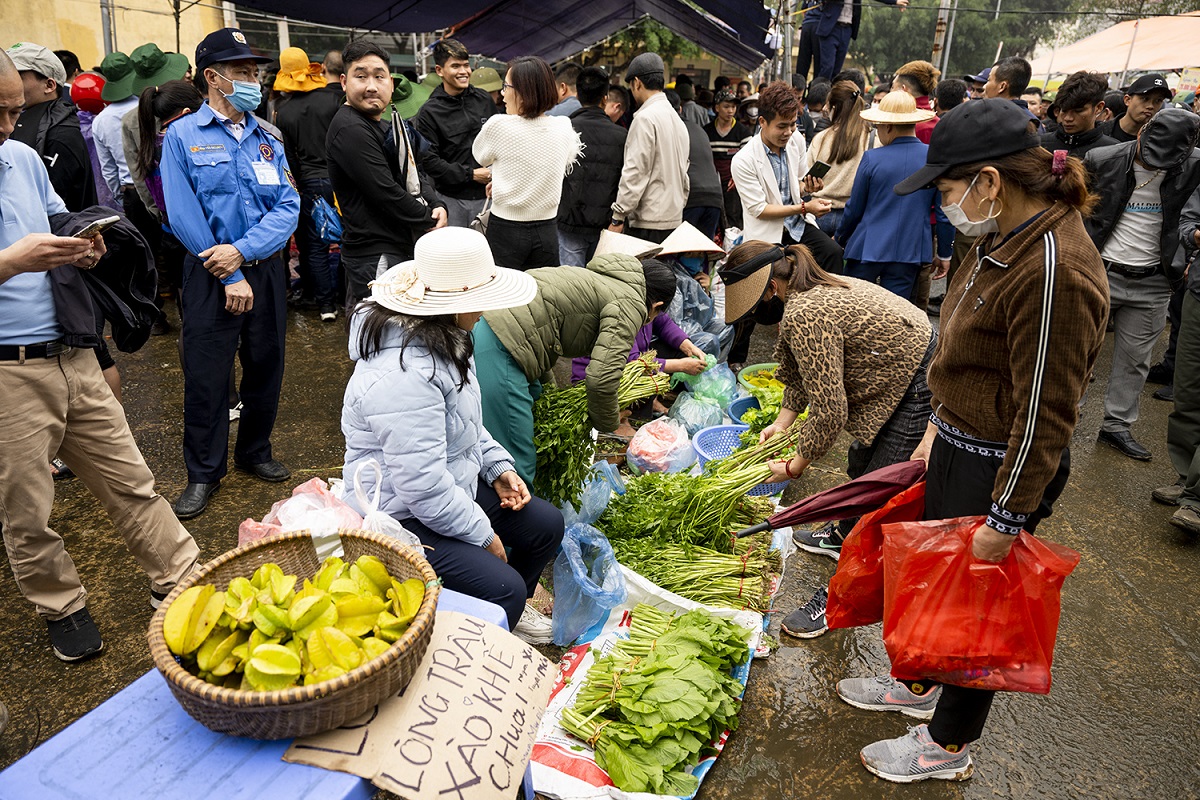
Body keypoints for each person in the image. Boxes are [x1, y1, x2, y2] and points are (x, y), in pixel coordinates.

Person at [838, 98, 1108, 784]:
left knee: (976, 612)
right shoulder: (994, 236)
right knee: (935, 584)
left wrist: (1007, 516)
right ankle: (920, 685)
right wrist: (934, 430)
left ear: (989, 181)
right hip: (958, 443)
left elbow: (1046, 411)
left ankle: (947, 745)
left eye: (948, 189)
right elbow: (962, 356)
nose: (944, 205)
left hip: (1003, 467)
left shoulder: (1052, 268)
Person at [0, 49, 200, 662]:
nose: (8, 126)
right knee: (27, 509)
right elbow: (22, 253)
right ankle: (62, 605)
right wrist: (13, 262)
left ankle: (180, 575)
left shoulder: (22, 158)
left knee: (131, 479)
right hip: (7, 371)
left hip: (71, 348)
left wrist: (82, 246)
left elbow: (59, 220)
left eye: (14, 110)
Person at [341, 226, 561, 642]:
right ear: (448, 304)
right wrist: (482, 534)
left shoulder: (449, 340)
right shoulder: (404, 374)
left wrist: (497, 468)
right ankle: (481, 638)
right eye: (477, 302)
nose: (483, 312)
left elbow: (465, 424)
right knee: (504, 587)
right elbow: (421, 486)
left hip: (445, 487)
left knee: (545, 525)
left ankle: (509, 614)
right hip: (400, 511)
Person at [720, 241, 934, 637]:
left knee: (878, 492)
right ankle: (837, 532)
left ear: (769, 289)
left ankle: (836, 599)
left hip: (916, 376)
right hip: (899, 361)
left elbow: (830, 408)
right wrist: (782, 424)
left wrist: (793, 466)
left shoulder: (806, 311)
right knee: (860, 462)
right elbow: (802, 373)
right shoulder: (803, 291)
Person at [159, 27, 300, 519]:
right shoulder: (181, 135)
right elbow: (182, 213)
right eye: (242, 72)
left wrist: (241, 253)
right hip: (208, 273)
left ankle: (254, 451)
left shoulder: (269, 136)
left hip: (262, 270)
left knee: (266, 365)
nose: (253, 80)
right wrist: (226, 271)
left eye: (254, 71)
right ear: (213, 78)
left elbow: (288, 205)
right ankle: (203, 472)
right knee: (207, 375)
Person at [473, 254, 678, 483]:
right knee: (517, 461)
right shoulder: (630, 303)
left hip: (489, 326)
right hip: (503, 345)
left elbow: (542, 328)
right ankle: (517, 515)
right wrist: (612, 424)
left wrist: (550, 391)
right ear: (657, 306)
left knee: (534, 409)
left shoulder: (608, 279)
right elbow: (602, 379)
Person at [1084, 108, 1200, 461]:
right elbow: (1080, 211)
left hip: (1153, 281)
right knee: (1078, 352)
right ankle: (1063, 416)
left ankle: (1117, 425)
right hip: (1100, 272)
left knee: (1135, 360)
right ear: (1141, 134)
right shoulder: (1101, 159)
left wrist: (1185, 256)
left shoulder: (1195, 166)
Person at [326, 40, 446, 309]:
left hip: (397, 244)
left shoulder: (384, 123)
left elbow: (414, 169)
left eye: (379, 77)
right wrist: (429, 218)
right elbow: (386, 192)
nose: (371, 86)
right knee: (384, 331)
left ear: (390, 83)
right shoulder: (349, 128)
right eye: (361, 76)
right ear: (344, 82)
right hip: (375, 253)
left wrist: (437, 204)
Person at [836, 91, 952, 300]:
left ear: (888, 126)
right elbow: (944, 213)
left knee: (855, 309)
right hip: (910, 250)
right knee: (894, 317)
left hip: (867, 247)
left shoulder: (872, 158)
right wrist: (944, 253)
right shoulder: (932, 158)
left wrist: (840, 237)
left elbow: (855, 208)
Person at [472, 56, 582, 270]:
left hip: (505, 230)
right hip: (547, 232)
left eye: (506, 87)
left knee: (503, 296)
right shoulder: (563, 126)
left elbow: (480, 155)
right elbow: (555, 164)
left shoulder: (499, 126)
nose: (503, 94)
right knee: (542, 297)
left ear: (524, 92)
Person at [274, 45, 343, 321]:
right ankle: (350, 296)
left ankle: (326, 305)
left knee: (314, 245)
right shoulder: (333, 101)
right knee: (351, 238)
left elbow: (288, 159)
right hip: (342, 180)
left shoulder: (283, 112)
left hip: (309, 185)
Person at [607, 52, 690, 245]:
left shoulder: (645, 119)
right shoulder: (676, 120)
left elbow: (635, 171)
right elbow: (684, 172)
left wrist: (618, 216)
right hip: (673, 217)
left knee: (642, 275)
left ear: (637, 83)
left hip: (648, 221)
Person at [414, 38, 495, 227]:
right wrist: (471, 174)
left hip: (489, 196)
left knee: (490, 254)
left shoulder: (483, 99)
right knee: (456, 255)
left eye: (466, 65)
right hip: (452, 200)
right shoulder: (429, 112)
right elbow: (430, 162)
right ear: (439, 70)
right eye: (456, 66)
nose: (464, 72)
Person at [6, 43, 96, 212]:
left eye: (18, 77)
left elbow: (52, 208)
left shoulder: (58, 135)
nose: (9, 83)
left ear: (49, 85)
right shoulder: (22, 121)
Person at [558, 65, 627, 267]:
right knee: (598, 285)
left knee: (571, 287)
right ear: (605, 98)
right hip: (605, 226)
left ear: (578, 94)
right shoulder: (621, 135)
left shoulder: (564, 129)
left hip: (568, 223)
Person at [1160, 188, 1200, 531]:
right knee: (1187, 391)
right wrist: (1195, 235)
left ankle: (1196, 499)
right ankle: (1187, 477)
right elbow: (1187, 221)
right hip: (1199, 297)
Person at [806, 79, 870, 237]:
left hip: (819, 212)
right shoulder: (872, 137)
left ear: (834, 108)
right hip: (853, 216)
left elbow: (806, 176)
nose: (825, 110)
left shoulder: (820, 139)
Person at [665, 90, 723, 240]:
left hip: (692, 198)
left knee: (680, 251)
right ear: (680, 109)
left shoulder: (670, 129)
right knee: (701, 252)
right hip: (714, 197)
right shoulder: (699, 129)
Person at [808, 0, 909, 80]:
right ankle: (817, 99)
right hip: (831, 28)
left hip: (847, 29)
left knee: (836, 71)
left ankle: (831, 100)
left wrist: (895, 1)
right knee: (827, 68)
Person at [92, 51, 139, 206]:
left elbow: (109, 170)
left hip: (131, 192)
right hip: (159, 185)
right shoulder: (147, 104)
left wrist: (120, 199)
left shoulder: (100, 120)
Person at [1039, 71, 1116, 159]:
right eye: (1064, 110)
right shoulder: (1040, 145)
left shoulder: (1113, 152)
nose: (1068, 118)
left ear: (1098, 107)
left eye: (1078, 111)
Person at [704, 89, 752, 230]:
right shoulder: (706, 132)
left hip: (734, 184)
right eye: (726, 107)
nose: (730, 111)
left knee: (733, 220)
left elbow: (747, 161)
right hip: (712, 183)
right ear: (717, 108)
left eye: (733, 107)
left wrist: (736, 178)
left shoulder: (743, 132)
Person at [1100, 73, 1172, 144]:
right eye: (1145, 99)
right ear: (1127, 100)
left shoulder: (1157, 143)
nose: (1151, 106)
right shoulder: (1099, 131)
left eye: (1158, 101)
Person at [984, 57, 1042, 130]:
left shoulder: (988, 118)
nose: (984, 86)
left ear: (1002, 86)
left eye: (989, 80)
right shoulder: (1035, 124)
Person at [891, 60, 940, 143]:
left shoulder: (903, 125)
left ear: (903, 89)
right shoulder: (940, 124)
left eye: (892, 87)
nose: (890, 92)